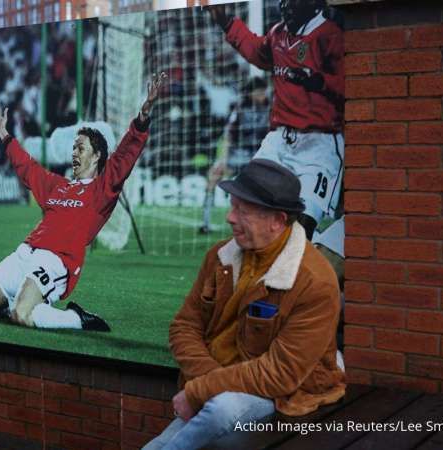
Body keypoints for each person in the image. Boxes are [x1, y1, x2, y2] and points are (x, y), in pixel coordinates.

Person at [144, 159, 345, 449]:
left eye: (243, 210)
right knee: (188, 430)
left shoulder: (315, 280)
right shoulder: (219, 256)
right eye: (232, 205)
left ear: (277, 220)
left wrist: (202, 389)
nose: (229, 217)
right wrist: (209, 382)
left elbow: (280, 374)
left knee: (220, 413)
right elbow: (184, 326)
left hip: (286, 395)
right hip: (221, 386)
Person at [0, 73, 168, 332]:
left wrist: (144, 114)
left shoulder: (102, 190)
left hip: (55, 261)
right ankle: (22, 300)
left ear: (96, 156)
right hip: (24, 253)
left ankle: (76, 319)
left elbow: (125, 155)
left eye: (80, 148)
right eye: (73, 148)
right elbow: (28, 168)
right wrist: (4, 135)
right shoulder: (58, 186)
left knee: (21, 314)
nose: (74, 153)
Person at [208, 0, 344, 240]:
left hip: (319, 143)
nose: (285, 6)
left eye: (291, 2)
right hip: (279, 139)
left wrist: (319, 81)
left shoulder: (330, 34)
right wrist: (226, 22)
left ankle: (314, 251)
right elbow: (257, 51)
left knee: (304, 223)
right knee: (247, 199)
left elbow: (352, 85)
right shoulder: (278, 33)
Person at [199, 77, 270, 234]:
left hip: (260, 154)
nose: (262, 95)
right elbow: (228, 136)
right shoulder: (239, 109)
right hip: (238, 153)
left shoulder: (270, 109)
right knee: (213, 177)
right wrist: (222, 160)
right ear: (250, 93)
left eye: (264, 91)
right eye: (259, 92)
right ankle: (205, 223)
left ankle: (262, 222)